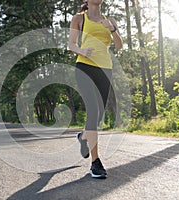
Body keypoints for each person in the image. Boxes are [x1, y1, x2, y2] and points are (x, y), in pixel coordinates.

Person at [68, 0, 123, 179]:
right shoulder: (79, 18)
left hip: (105, 69)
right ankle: (95, 162)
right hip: (84, 67)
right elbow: (71, 44)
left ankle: (83, 137)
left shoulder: (110, 19)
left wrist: (112, 29)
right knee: (93, 111)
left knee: (98, 115)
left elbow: (120, 45)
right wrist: (82, 51)